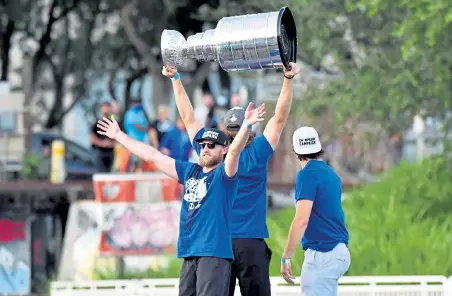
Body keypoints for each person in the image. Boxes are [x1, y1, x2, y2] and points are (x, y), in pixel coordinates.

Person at [96, 102, 266, 296]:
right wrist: (119, 136)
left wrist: (247, 126)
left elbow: (235, 151)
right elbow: (153, 156)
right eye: (202, 145)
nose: (205, 149)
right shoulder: (189, 171)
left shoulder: (224, 175)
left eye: (212, 145)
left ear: (223, 150)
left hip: (213, 254)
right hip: (189, 253)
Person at [162, 62, 300, 296]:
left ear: (224, 133)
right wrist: (287, 78)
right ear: (250, 131)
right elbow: (279, 119)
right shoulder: (258, 153)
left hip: (218, 245)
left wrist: (175, 78)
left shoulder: (214, 154)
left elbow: (187, 116)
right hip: (249, 242)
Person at [280, 126, 350, 295]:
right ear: (318, 148)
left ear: (296, 151)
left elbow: (301, 219)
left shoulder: (306, 175)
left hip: (322, 254)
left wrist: (286, 257)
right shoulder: (331, 174)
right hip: (339, 251)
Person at [90, 102, 115, 172]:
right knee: (100, 172)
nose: (105, 114)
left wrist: (111, 143)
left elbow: (119, 137)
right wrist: (103, 143)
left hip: (111, 152)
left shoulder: (113, 124)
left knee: (110, 172)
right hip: (99, 152)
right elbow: (92, 138)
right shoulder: (96, 124)